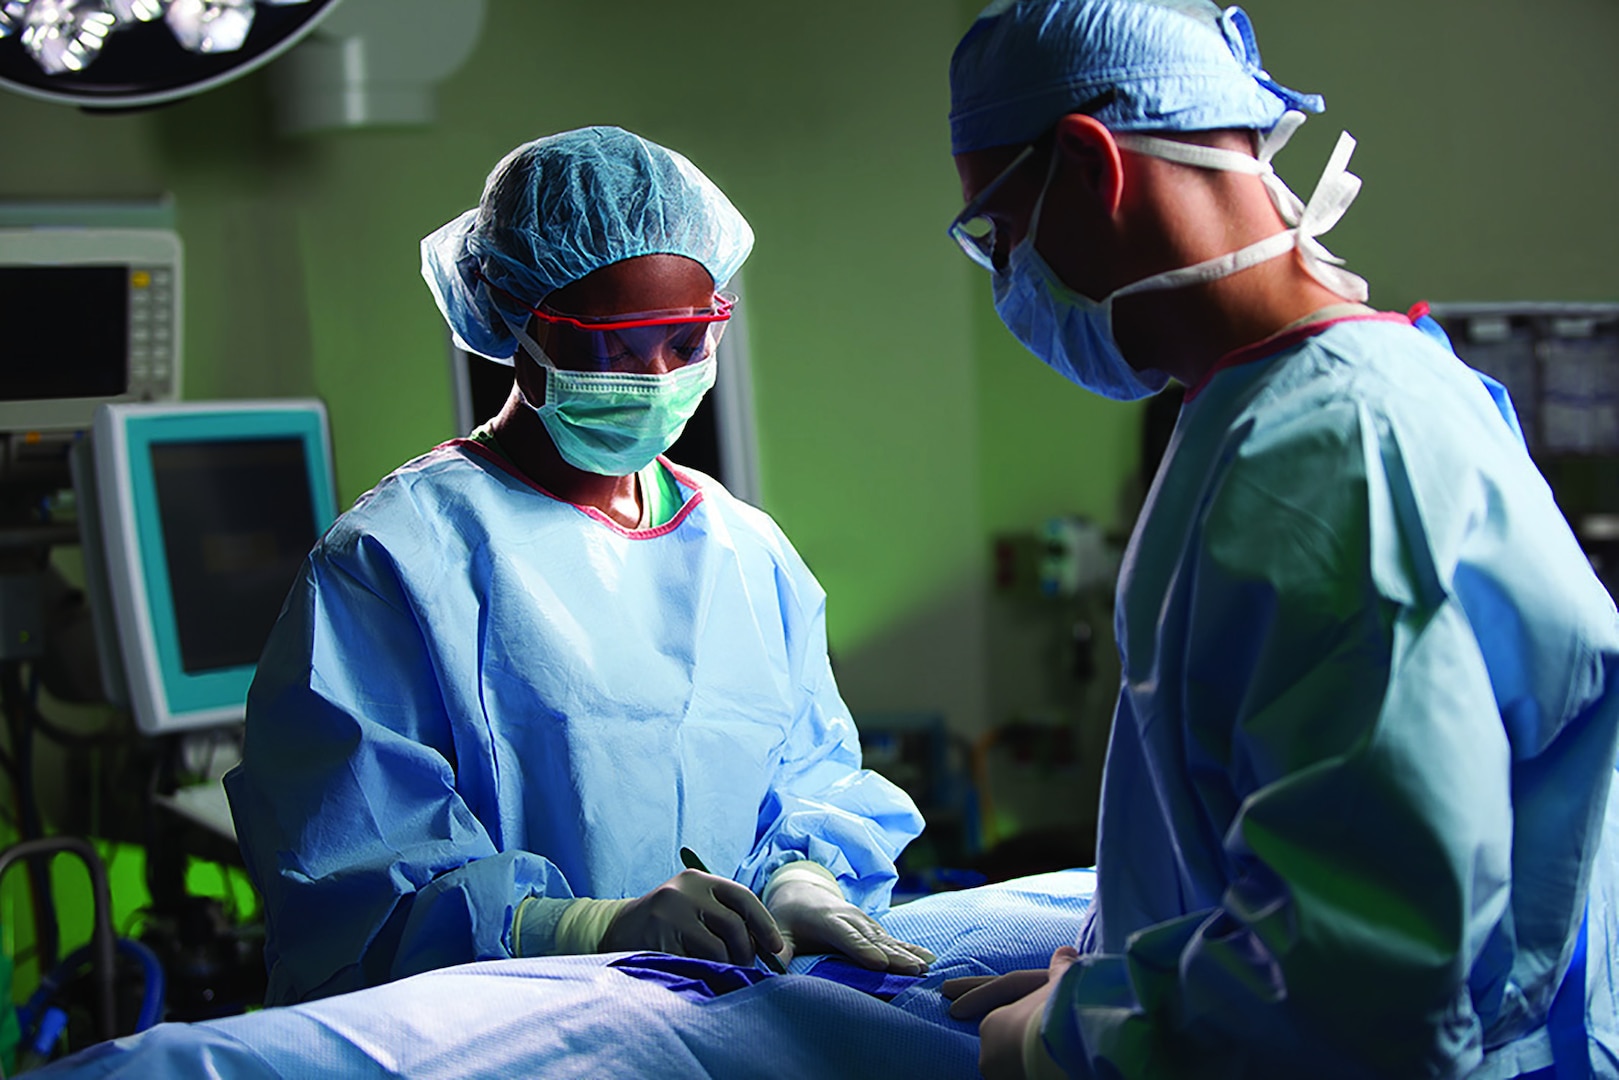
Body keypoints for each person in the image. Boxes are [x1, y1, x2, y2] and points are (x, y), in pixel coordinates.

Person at [937, 3, 1619, 1077]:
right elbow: (1276, 822)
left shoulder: (1339, 448)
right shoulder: (1277, 409)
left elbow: (1365, 982)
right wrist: (1113, 978)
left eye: (1001, 233)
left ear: (1086, 163)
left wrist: (1067, 1044)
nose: (1009, 276)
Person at [224, 126, 933, 1006]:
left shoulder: (745, 552)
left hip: (721, 1024)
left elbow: (810, 774)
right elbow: (354, 887)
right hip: (492, 1036)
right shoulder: (396, 560)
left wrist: (804, 883)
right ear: (517, 321)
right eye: (611, 343)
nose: (655, 374)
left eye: (685, 338)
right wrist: (593, 929)